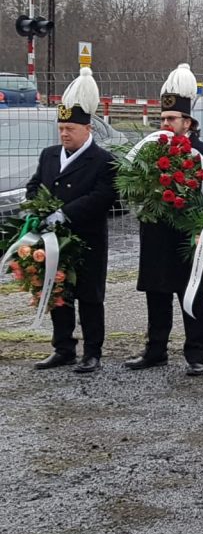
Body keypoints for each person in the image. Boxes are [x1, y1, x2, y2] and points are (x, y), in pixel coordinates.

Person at [126, 64, 203, 376]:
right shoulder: (150, 151)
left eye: (172, 119)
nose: (166, 123)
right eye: (163, 118)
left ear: (188, 122)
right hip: (154, 231)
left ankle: (197, 353)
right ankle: (155, 350)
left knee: (191, 292)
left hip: (187, 236)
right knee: (156, 291)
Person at [27, 67, 117, 375]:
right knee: (58, 291)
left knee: (90, 296)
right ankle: (63, 348)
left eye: (70, 129)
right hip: (54, 240)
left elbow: (102, 197)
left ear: (87, 129)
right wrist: (37, 207)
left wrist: (65, 213)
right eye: (61, 128)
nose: (64, 133)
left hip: (87, 238)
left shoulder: (103, 161)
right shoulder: (50, 155)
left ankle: (93, 352)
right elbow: (35, 183)